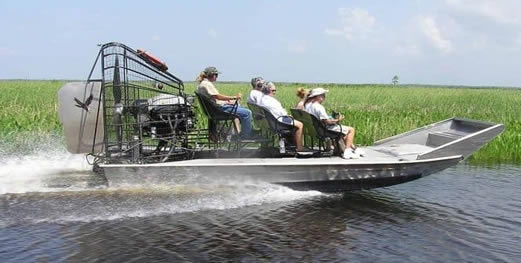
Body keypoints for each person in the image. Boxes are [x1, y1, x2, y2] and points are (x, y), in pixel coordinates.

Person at [304, 87, 364, 159]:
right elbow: (327, 121)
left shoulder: (309, 106)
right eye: (323, 95)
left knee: (344, 131)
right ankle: (347, 152)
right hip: (325, 130)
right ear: (318, 96)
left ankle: (353, 149)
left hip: (317, 129)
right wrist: (338, 119)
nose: (324, 97)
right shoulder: (319, 107)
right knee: (351, 130)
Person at [196, 66, 254, 139]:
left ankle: (238, 134)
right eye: (216, 75)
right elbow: (217, 96)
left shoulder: (202, 84)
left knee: (239, 107)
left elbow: (213, 99)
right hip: (219, 110)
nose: (217, 77)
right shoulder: (207, 84)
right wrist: (234, 97)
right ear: (212, 75)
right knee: (247, 113)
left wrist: (227, 101)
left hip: (215, 109)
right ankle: (246, 136)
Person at [258, 82, 305, 151]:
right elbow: (282, 113)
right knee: (300, 125)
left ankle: (292, 144)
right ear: (268, 90)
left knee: (295, 123)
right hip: (278, 121)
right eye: (273, 90)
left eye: (275, 90)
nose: (274, 92)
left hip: (272, 121)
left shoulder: (262, 99)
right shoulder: (272, 101)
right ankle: (300, 147)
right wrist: (288, 115)